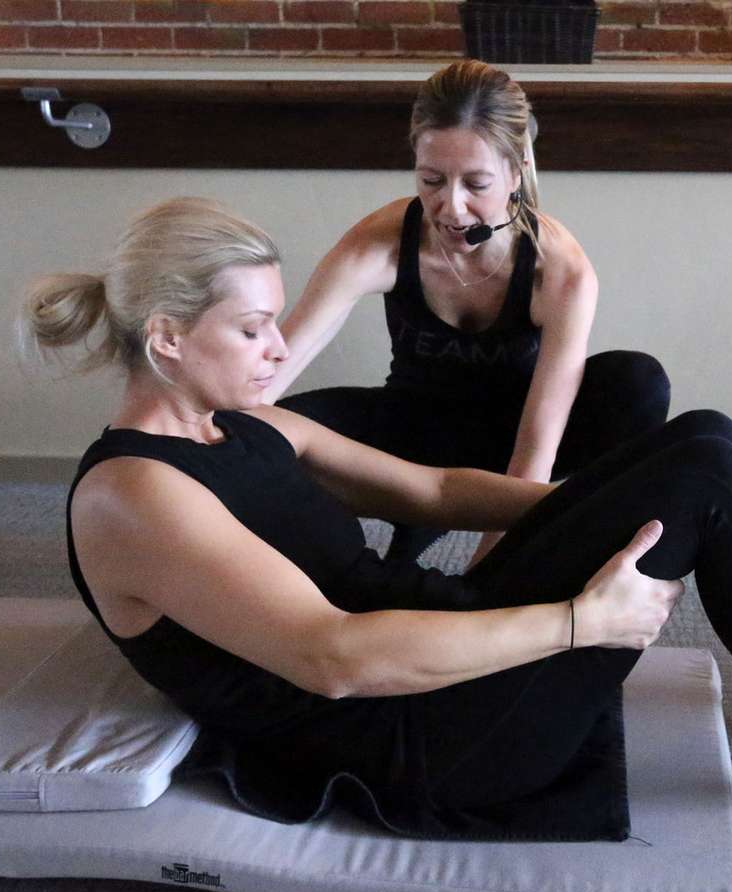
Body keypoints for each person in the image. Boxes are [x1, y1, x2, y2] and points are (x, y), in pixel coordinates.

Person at [23, 196, 732, 860]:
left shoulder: (241, 420)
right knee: (698, 475)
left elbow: (428, 491)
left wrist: (608, 498)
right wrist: (580, 620)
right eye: (253, 328)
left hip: (439, 639)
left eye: (277, 320)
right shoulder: (133, 495)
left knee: (700, 446)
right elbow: (333, 658)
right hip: (416, 731)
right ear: (164, 337)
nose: (279, 347)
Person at [272, 60, 670, 564]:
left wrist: (483, 584)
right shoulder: (382, 243)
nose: (451, 208)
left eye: (476, 184)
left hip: (512, 435)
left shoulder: (560, 271)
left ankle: (587, 555)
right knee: (267, 431)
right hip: (411, 433)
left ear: (515, 173)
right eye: (431, 180)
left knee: (637, 381)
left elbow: (536, 448)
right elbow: (272, 369)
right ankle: (356, 563)